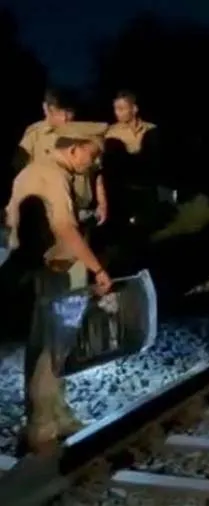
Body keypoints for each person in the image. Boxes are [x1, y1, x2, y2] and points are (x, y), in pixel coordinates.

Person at [5, 121, 114, 452]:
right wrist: (98, 269)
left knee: (43, 341)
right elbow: (64, 228)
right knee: (55, 343)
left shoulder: (34, 170)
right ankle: (43, 425)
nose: (93, 163)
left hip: (39, 266)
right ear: (74, 149)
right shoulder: (54, 176)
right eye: (91, 155)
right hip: (58, 268)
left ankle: (55, 414)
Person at [18, 89, 110, 230]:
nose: (66, 118)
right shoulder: (34, 135)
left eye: (69, 112)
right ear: (47, 109)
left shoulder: (83, 133)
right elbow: (21, 173)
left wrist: (102, 202)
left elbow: (97, 170)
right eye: (60, 112)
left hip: (82, 211)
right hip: (49, 213)